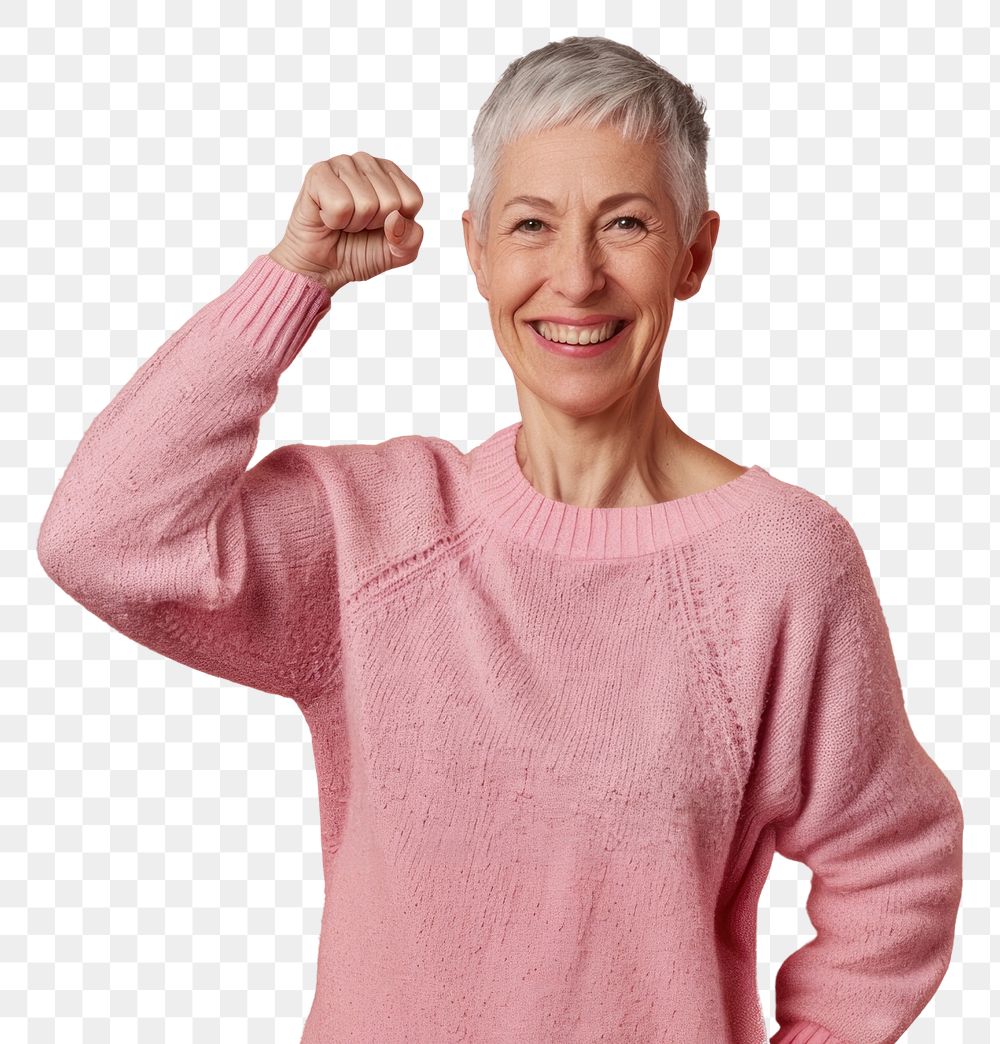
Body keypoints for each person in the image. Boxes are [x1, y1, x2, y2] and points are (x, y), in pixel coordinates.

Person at [36, 35, 963, 1044]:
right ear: (476, 250)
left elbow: (894, 859)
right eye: (531, 224)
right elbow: (103, 537)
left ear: (693, 251)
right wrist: (294, 279)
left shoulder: (781, 565)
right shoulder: (375, 534)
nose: (574, 276)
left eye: (625, 223)